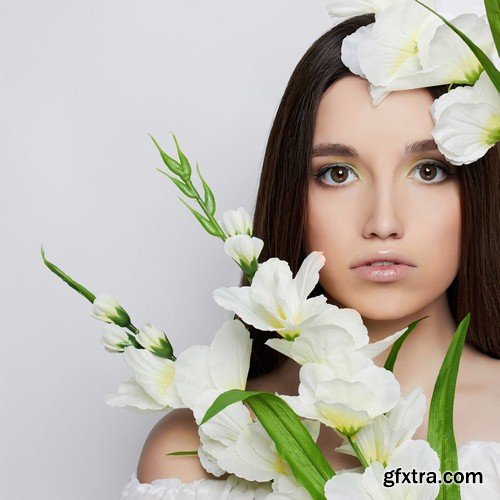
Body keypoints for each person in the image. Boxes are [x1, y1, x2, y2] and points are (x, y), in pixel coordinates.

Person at [121, 12, 500, 498]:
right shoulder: (197, 452)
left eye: (428, 171)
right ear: (292, 199)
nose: (383, 222)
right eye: (337, 174)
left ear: (479, 192)